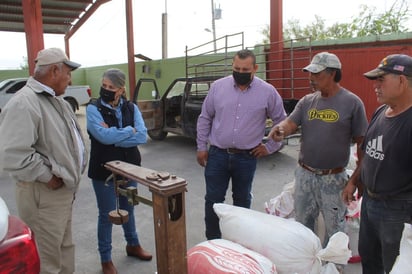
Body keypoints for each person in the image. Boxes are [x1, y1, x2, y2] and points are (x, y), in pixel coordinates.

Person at [0, 47, 87, 274]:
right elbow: (13, 154)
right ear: (55, 70)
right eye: (68, 73)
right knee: (48, 260)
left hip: (62, 192)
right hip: (44, 195)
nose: (70, 80)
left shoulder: (56, 101)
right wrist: (48, 177)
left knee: (65, 248)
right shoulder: (24, 103)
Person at [269, 52, 368, 245]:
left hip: (334, 179)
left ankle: (333, 267)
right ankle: (308, 264)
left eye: (317, 74)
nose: (311, 78)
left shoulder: (352, 103)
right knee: (302, 227)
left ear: (333, 73)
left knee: (335, 230)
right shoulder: (307, 101)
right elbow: (290, 123)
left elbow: (362, 144)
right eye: (310, 73)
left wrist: (356, 180)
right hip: (305, 175)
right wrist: (280, 129)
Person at [196, 49, 287, 240]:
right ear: (232, 65)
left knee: (242, 202)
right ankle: (213, 242)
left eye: (245, 69)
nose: (240, 72)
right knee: (213, 201)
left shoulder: (267, 92)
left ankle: (239, 243)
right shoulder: (218, 87)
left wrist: (269, 147)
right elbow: (205, 118)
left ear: (255, 68)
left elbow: (282, 123)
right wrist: (201, 147)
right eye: (236, 68)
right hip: (217, 155)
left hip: (247, 157)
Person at [342, 54, 412, 274]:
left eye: (381, 79)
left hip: (398, 210)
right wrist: (354, 180)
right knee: (369, 259)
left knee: (394, 265)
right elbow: (368, 152)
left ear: (402, 80)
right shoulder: (382, 111)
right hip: (370, 203)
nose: (375, 86)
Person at [86, 68, 151, 274]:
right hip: (103, 169)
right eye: (103, 86)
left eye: (111, 87)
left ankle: (133, 245)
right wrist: (127, 131)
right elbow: (102, 137)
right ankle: (106, 259)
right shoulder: (93, 108)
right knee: (106, 215)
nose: (105, 90)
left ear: (121, 90)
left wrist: (113, 136)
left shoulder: (131, 108)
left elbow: (141, 136)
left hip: (130, 168)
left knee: (128, 208)